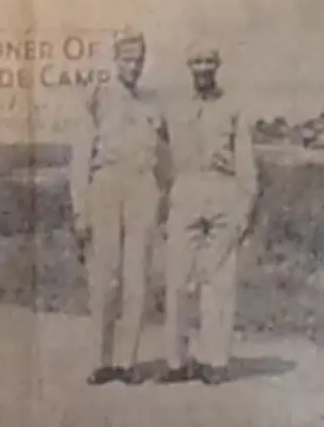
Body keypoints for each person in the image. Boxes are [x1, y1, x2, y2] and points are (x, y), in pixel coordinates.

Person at [70, 29, 166, 386]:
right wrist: (80, 208)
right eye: (127, 59)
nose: (134, 66)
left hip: (141, 186)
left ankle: (127, 362)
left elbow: (164, 153)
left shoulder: (152, 102)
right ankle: (101, 360)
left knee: (136, 277)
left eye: (139, 60)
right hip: (106, 186)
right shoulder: (98, 97)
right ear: (116, 60)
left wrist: (163, 192)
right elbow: (81, 153)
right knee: (103, 278)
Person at [158, 42, 259, 385]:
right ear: (189, 67)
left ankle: (215, 361)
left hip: (223, 194)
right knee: (178, 280)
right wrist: (162, 199)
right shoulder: (174, 108)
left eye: (208, 62)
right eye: (196, 62)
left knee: (219, 281)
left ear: (217, 65)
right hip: (185, 192)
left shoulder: (233, 106)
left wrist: (245, 208)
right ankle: (176, 361)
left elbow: (245, 162)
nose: (202, 68)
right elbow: (159, 156)